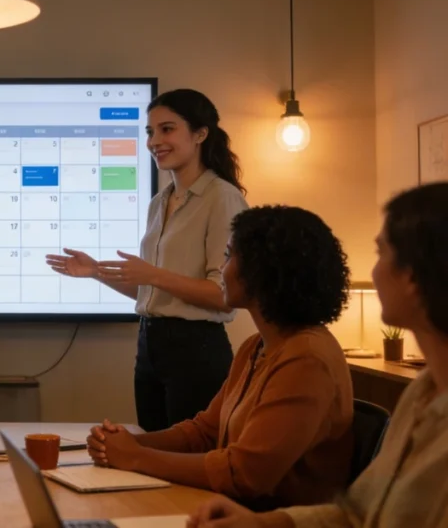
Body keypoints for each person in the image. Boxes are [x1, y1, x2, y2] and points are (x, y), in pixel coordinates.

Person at [187, 182, 448, 528]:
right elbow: (355, 514)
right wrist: (261, 524)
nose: (372, 271)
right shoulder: (422, 393)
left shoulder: (307, 356)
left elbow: (247, 474)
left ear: (412, 277)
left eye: (380, 253)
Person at [87, 205, 354, 510]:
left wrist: (135, 457)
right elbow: (204, 433)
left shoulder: (307, 359)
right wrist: (128, 443)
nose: (221, 270)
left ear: (260, 271)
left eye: (227, 256)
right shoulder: (256, 346)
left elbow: (243, 474)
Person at [47, 88, 249, 431]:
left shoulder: (222, 198)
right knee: (153, 454)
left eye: (167, 129)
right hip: (151, 345)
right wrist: (97, 271)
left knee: (186, 460)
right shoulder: (160, 201)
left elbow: (223, 295)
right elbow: (152, 294)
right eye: (150, 132)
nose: (155, 141)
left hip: (196, 349)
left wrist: (153, 275)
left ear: (200, 134)